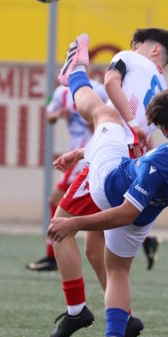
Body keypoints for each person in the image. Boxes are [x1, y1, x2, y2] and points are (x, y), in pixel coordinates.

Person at [47, 33, 168, 337]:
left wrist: (126, 122)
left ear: (152, 49)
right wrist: (84, 152)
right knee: (98, 253)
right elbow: (158, 156)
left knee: (61, 222)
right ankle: (123, 323)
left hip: (116, 167)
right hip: (133, 167)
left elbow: (111, 82)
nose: (133, 46)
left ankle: (76, 310)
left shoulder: (131, 59)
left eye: (137, 43)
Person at [26, 79, 107, 272]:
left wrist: (90, 124)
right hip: (76, 154)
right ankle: (146, 241)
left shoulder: (97, 91)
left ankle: (54, 254)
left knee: (58, 201)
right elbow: (49, 117)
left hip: (87, 153)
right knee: (95, 207)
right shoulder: (60, 93)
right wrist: (58, 114)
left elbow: (108, 121)